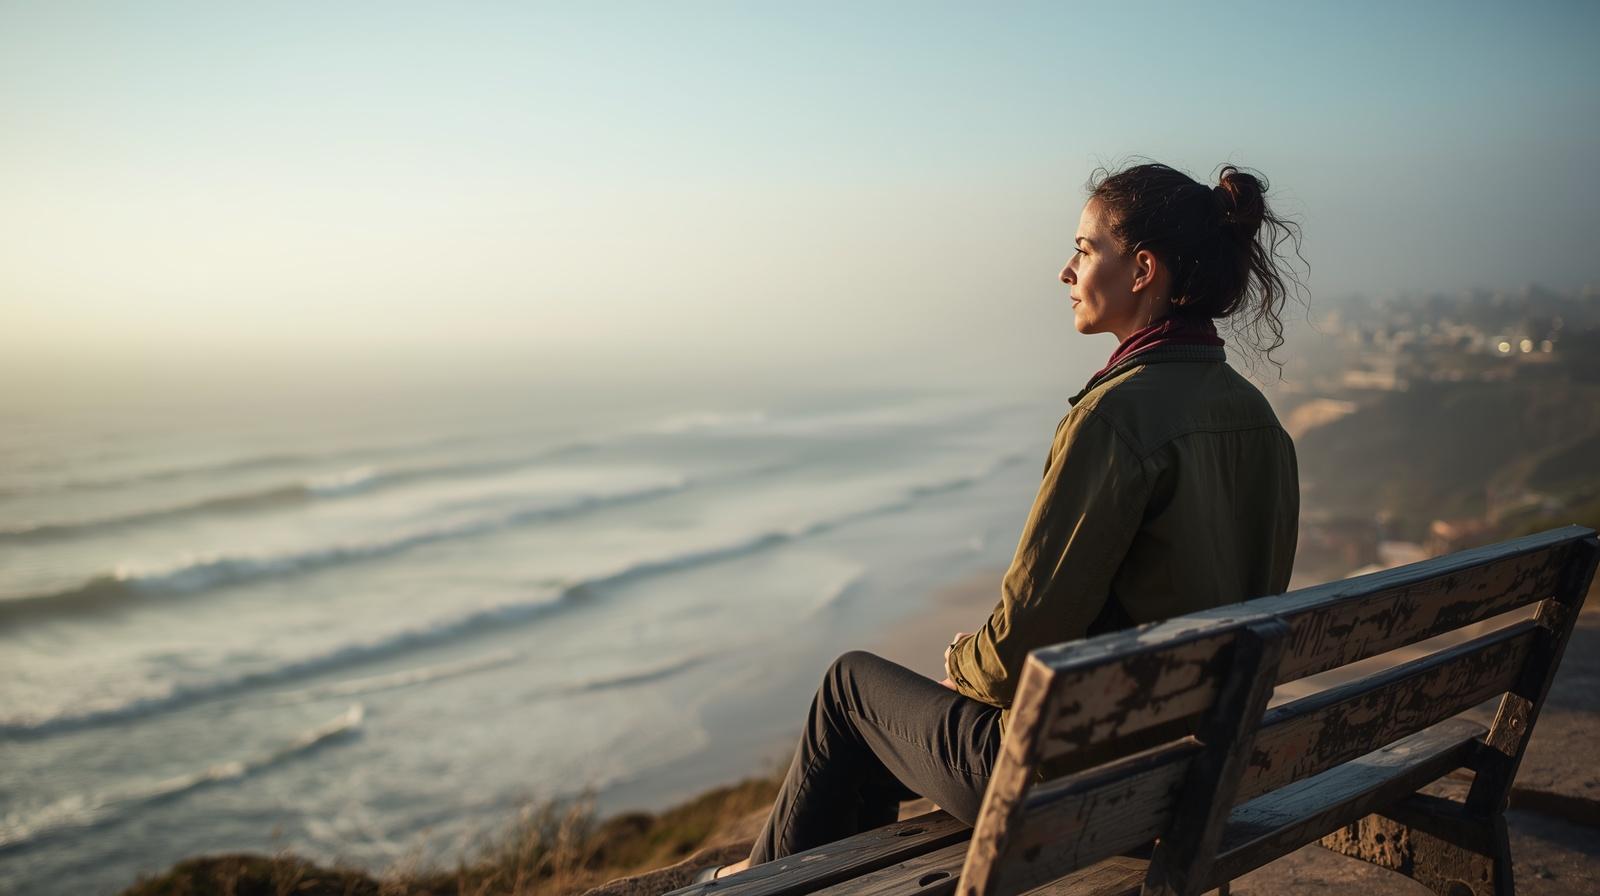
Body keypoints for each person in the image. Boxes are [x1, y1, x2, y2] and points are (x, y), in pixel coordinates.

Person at [698, 160, 1304, 882]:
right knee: (868, 741)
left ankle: (758, 884)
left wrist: (963, 664)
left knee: (848, 692)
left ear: (1142, 270)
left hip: (1081, 778)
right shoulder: (1259, 421)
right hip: (1191, 765)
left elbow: (1024, 645)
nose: (1065, 270)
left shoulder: (1114, 417)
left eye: (1084, 249)